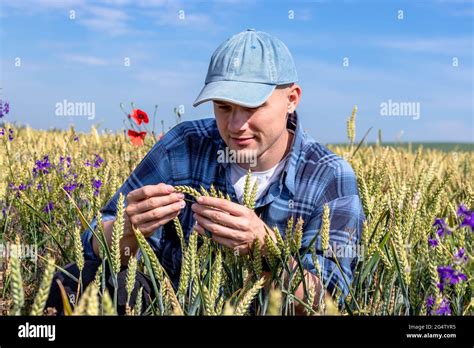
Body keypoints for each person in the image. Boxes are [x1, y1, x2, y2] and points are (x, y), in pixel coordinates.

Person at [46, 29, 365, 315]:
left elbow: (326, 304)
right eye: (224, 107)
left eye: (252, 107)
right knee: (76, 280)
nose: (237, 125)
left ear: (291, 99)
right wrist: (127, 229)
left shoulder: (330, 178)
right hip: (173, 307)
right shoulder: (184, 146)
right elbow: (91, 245)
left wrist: (267, 249)